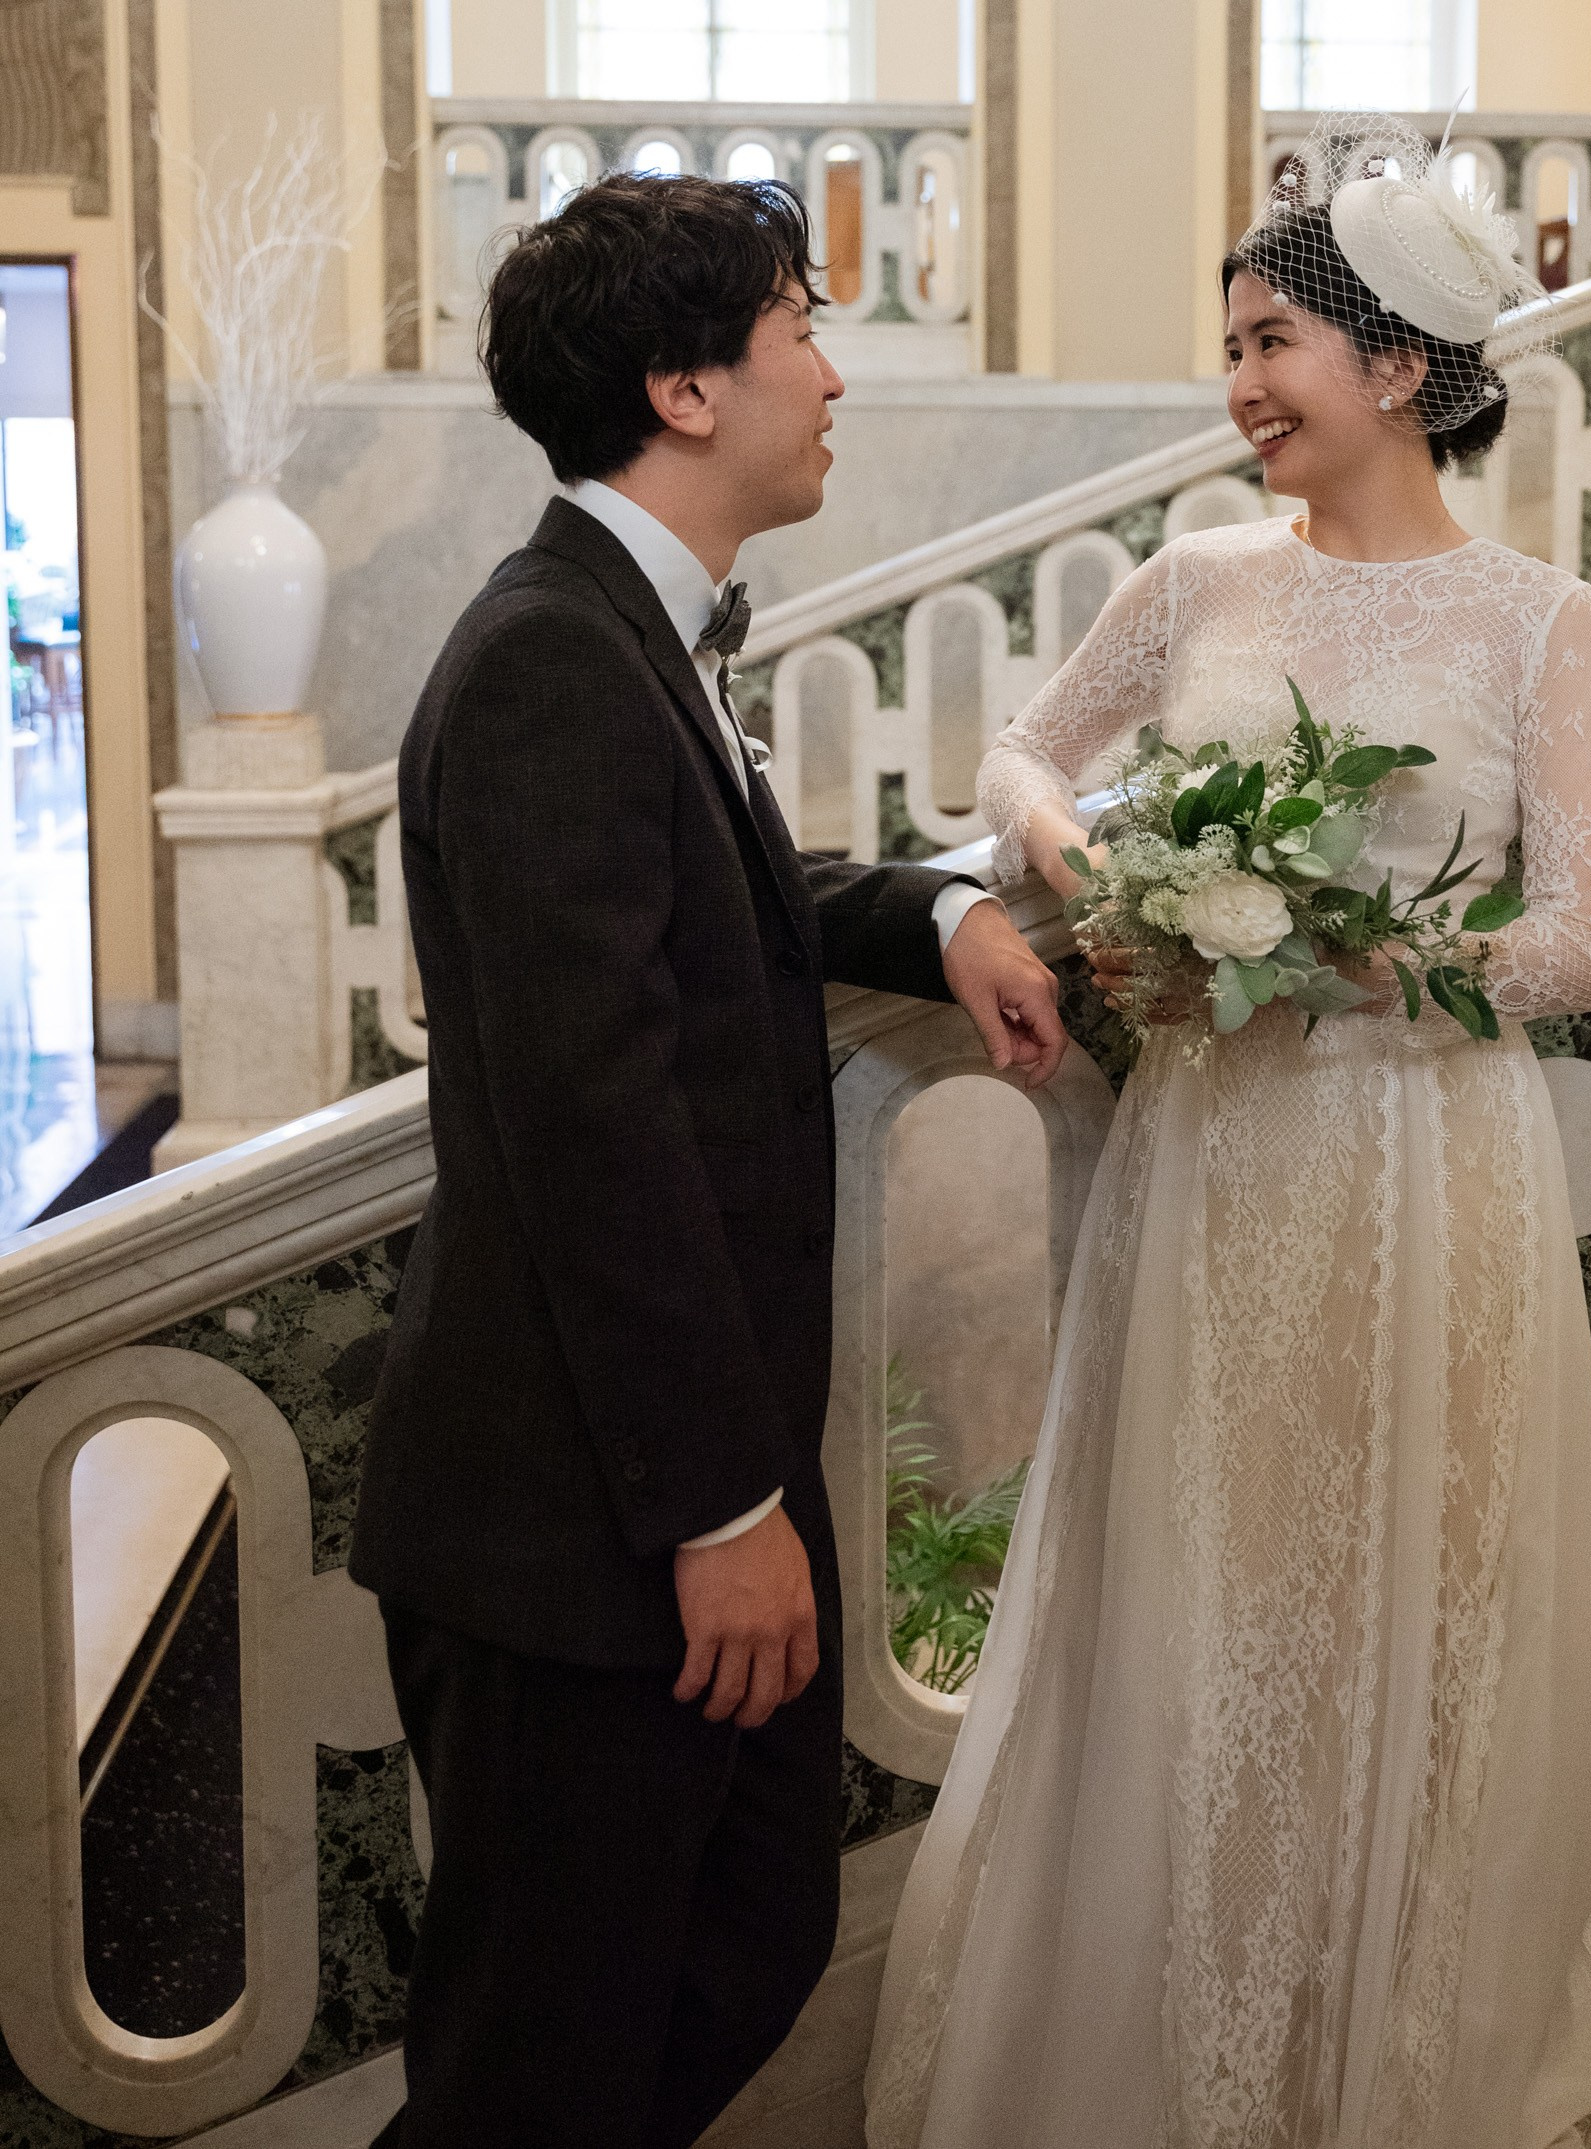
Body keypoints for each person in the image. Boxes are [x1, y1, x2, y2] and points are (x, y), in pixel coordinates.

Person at [867, 125, 1591, 2149]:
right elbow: (1019, 750)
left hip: (1431, 1170)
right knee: (1206, 1586)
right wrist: (1090, 870)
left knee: (1409, 1592)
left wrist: (1335, 954)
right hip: (1215, 1165)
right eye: (1230, 346)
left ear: (1397, 363)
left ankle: (1377, 2022)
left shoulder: (1540, 619)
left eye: (1272, 339)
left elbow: (1583, 938)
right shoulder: (1197, 577)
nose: (1240, 383)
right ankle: (1177, 2012)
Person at [349, 172, 1066, 2149]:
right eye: (800, 332)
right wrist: (718, 1503)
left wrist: (935, 911)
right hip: (581, 1519)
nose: (832, 377)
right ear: (683, 388)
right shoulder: (549, 661)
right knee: (536, 2068)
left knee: (745, 1934)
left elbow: (720, 893)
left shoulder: (616, 634)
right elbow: (591, 1125)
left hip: (646, 1497)